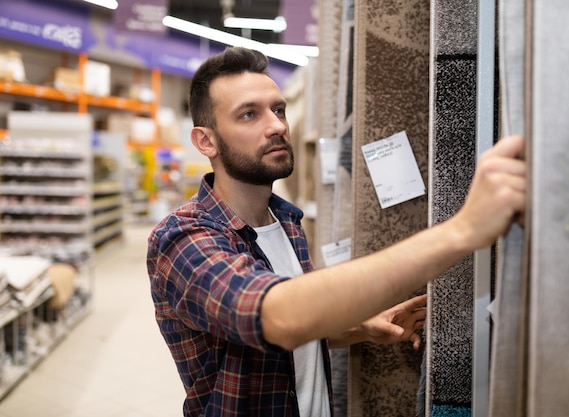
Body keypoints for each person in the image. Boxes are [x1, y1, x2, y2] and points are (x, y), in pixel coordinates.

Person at [146, 46, 526, 417]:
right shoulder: (182, 239)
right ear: (206, 141)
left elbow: (270, 344)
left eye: (278, 109)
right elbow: (277, 317)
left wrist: (358, 328)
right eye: (249, 115)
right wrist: (464, 230)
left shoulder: (285, 222)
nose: (277, 125)